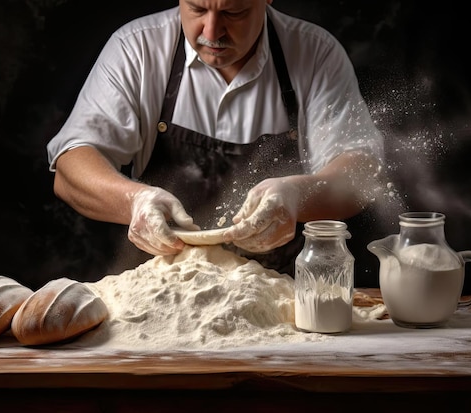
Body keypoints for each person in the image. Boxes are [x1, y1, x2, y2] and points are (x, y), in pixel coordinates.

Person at [46, 0, 384, 275]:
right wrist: (133, 200)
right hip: (159, 292)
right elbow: (71, 167)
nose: (211, 32)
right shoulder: (137, 49)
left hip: (280, 296)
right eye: (196, 9)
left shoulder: (315, 54)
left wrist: (296, 195)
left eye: (232, 13)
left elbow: (361, 172)